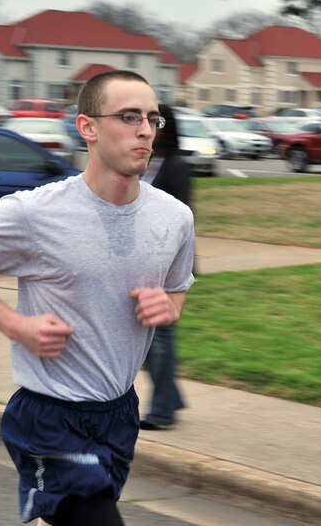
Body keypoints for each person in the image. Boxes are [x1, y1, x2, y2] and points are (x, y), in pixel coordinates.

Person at [0, 71, 195, 525]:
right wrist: (16, 326)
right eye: (129, 116)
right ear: (88, 127)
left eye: (152, 118)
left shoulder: (174, 218)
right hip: (48, 417)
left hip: (119, 413)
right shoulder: (34, 213)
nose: (145, 129)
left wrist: (169, 308)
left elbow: (177, 288)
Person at [139, 104, 192, 430]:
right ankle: (169, 398)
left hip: (166, 265)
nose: (146, 128)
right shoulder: (144, 162)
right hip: (140, 263)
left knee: (159, 339)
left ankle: (162, 411)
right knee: (148, 342)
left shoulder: (176, 166)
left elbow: (181, 219)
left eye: (153, 121)